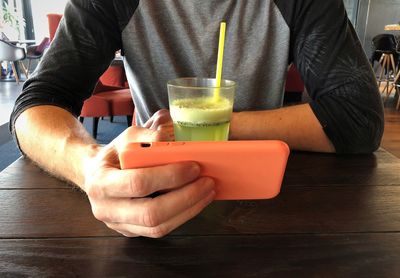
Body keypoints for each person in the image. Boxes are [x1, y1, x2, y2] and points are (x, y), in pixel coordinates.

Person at [10, 0, 384, 238]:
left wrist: (207, 125)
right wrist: (88, 166)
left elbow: (359, 118)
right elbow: (35, 105)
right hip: (147, 195)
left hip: (265, 208)